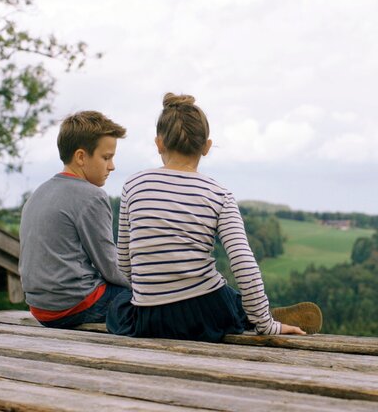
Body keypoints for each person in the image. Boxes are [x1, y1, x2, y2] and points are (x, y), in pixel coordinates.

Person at [107, 93, 322, 342]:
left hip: (149, 319)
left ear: (159, 143)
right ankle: (257, 316)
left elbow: (124, 263)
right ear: (207, 147)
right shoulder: (219, 194)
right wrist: (267, 328)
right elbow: (243, 263)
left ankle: (251, 314)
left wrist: (151, 293)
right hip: (204, 314)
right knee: (227, 299)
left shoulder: (133, 185)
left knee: (119, 304)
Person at [19, 110, 131, 329]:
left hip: (40, 308)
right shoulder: (91, 196)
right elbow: (110, 266)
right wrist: (147, 287)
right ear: (81, 157)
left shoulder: (39, 193)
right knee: (156, 301)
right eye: (106, 157)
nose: (112, 166)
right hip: (76, 304)